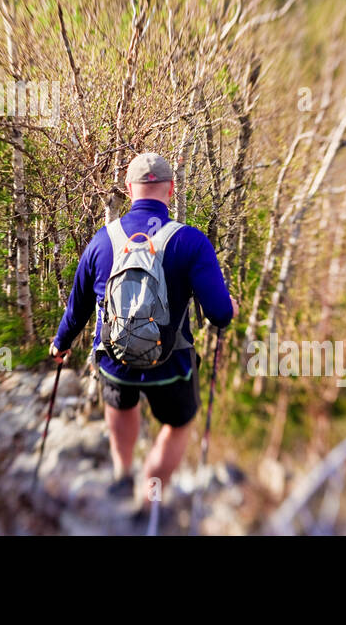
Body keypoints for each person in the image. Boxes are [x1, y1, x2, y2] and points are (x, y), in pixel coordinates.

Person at [49, 152, 234, 511]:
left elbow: (78, 307)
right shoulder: (191, 242)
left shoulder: (102, 241)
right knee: (179, 424)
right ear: (171, 188)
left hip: (115, 364)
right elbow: (219, 314)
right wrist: (230, 309)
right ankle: (150, 493)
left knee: (121, 404)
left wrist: (61, 344)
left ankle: (122, 474)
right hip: (171, 366)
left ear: (129, 189)